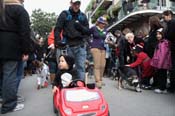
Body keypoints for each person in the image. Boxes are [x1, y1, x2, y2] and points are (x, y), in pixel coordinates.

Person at [0, 0, 31, 114]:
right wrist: (26, 50)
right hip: (11, 45)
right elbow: (24, 32)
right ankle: (9, 105)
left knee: (3, 75)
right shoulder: (19, 10)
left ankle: (3, 98)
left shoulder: (2, 7)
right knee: (10, 75)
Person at [54, 0, 90, 80]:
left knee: (80, 67)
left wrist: (80, 27)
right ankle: (67, 86)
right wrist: (57, 41)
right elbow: (57, 28)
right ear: (71, 3)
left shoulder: (83, 16)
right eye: (75, 4)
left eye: (78, 4)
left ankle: (80, 86)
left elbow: (88, 32)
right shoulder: (64, 14)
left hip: (80, 45)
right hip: (68, 46)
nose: (77, 6)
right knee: (66, 67)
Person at [150, 28, 171, 94]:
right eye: (157, 34)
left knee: (162, 75)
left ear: (163, 34)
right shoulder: (162, 42)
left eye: (159, 34)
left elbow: (163, 55)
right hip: (161, 63)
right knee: (162, 75)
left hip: (162, 63)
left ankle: (161, 88)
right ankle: (162, 88)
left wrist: (159, 64)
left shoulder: (164, 43)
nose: (157, 36)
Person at [89, 16, 108, 89]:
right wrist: (90, 43)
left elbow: (105, 37)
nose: (103, 24)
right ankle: (97, 81)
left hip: (103, 48)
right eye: (102, 23)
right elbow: (87, 35)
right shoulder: (93, 28)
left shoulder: (106, 30)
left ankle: (100, 79)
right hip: (95, 48)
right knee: (97, 65)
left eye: (104, 23)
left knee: (102, 65)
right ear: (99, 23)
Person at [162, 10, 175, 93]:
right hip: (173, 48)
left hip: (173, 48)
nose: (163, 19)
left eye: (164, 17)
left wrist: (165, 34)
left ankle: (172, 87)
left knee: (173, 69)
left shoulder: (172, 23)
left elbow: (169, 35)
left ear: (169, 15)